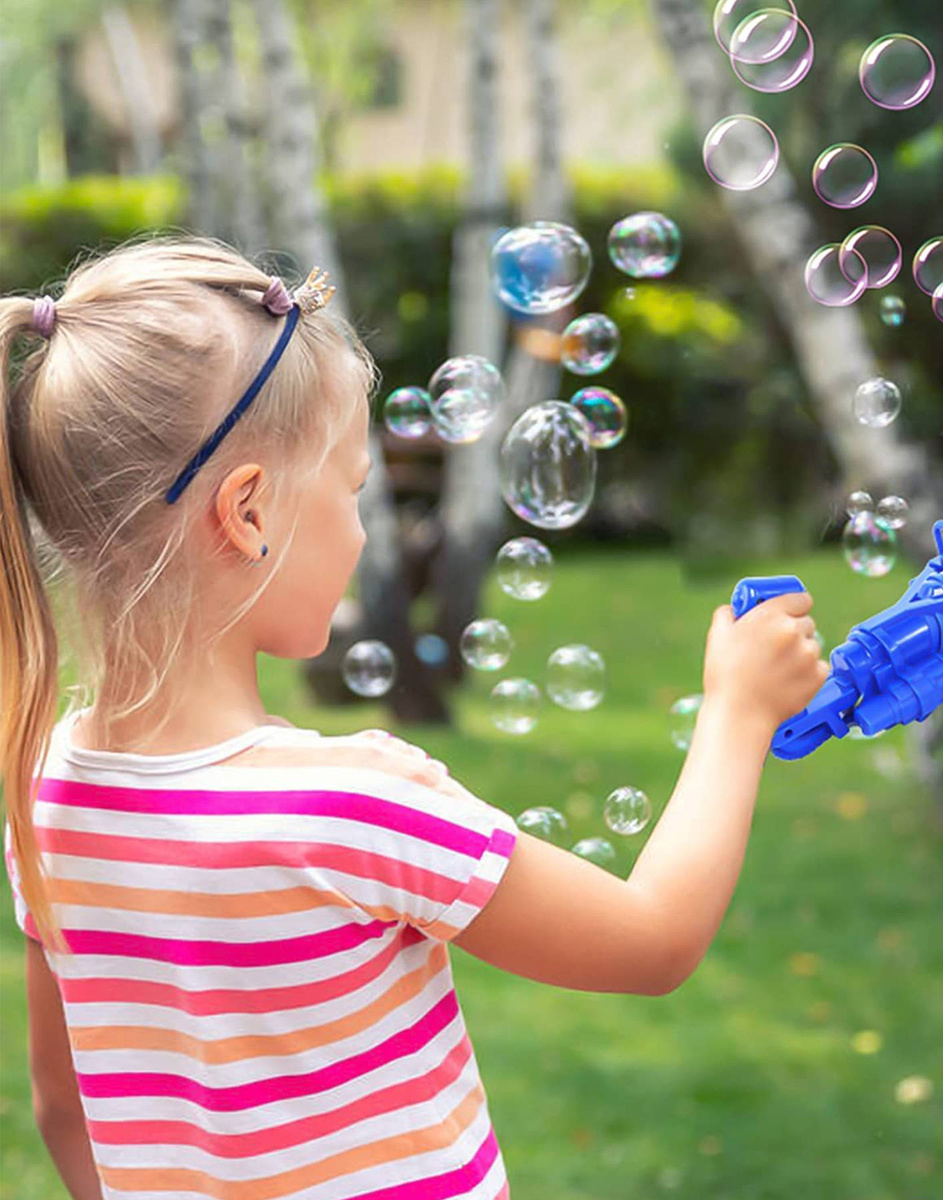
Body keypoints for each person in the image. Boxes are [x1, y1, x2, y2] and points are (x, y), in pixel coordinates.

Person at [0, 236, 827, 1200]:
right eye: (353, 489)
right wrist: (738, 709)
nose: (360, 528)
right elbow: (650, 941)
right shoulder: (354, 803)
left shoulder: (50, 796)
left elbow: (67, 1111)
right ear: (250, 512)